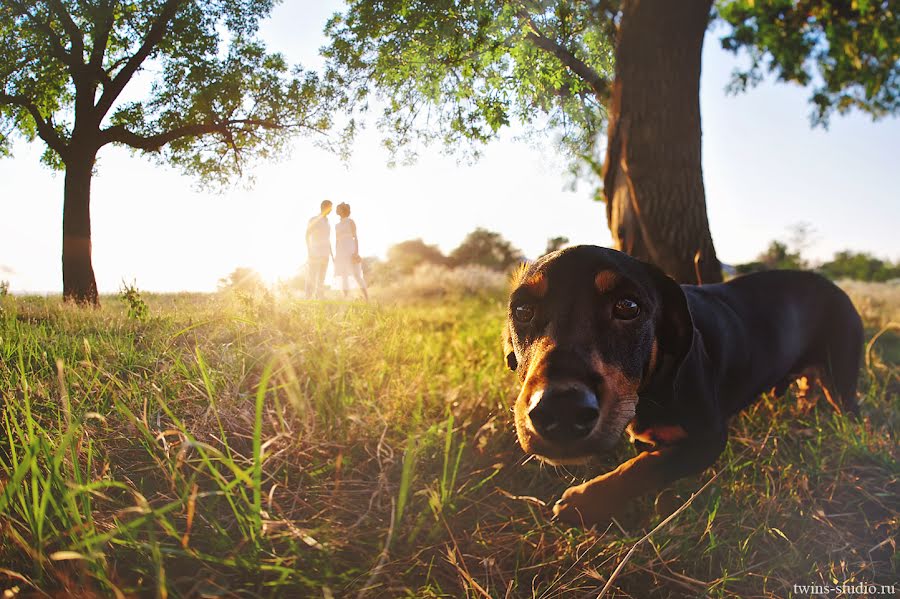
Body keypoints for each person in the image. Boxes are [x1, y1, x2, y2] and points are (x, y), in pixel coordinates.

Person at [333, 202, 369, 301]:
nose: (336, 210)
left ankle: (367, 298)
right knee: (343, 274)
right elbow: (337, 240)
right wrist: (336, 255)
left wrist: (356, 252)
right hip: (340, 251)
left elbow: (355, 237)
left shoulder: (350, 222)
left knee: (356, 274)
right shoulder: (336, 225)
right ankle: (346, 298)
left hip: (350, 248)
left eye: (338, 208)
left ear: (343, 210)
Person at [305, 200, 332, 299]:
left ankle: (319, 297)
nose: (331, 210)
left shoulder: (327, 221)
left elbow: (327, 238)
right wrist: (309, 250)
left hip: (325, 253)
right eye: (329, 207)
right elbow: (307, 234)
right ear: (323, 207)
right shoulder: (314, 219)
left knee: (322, 277)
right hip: (315, 252)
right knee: (311, 276)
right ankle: (308, 297)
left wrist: (331, 254)